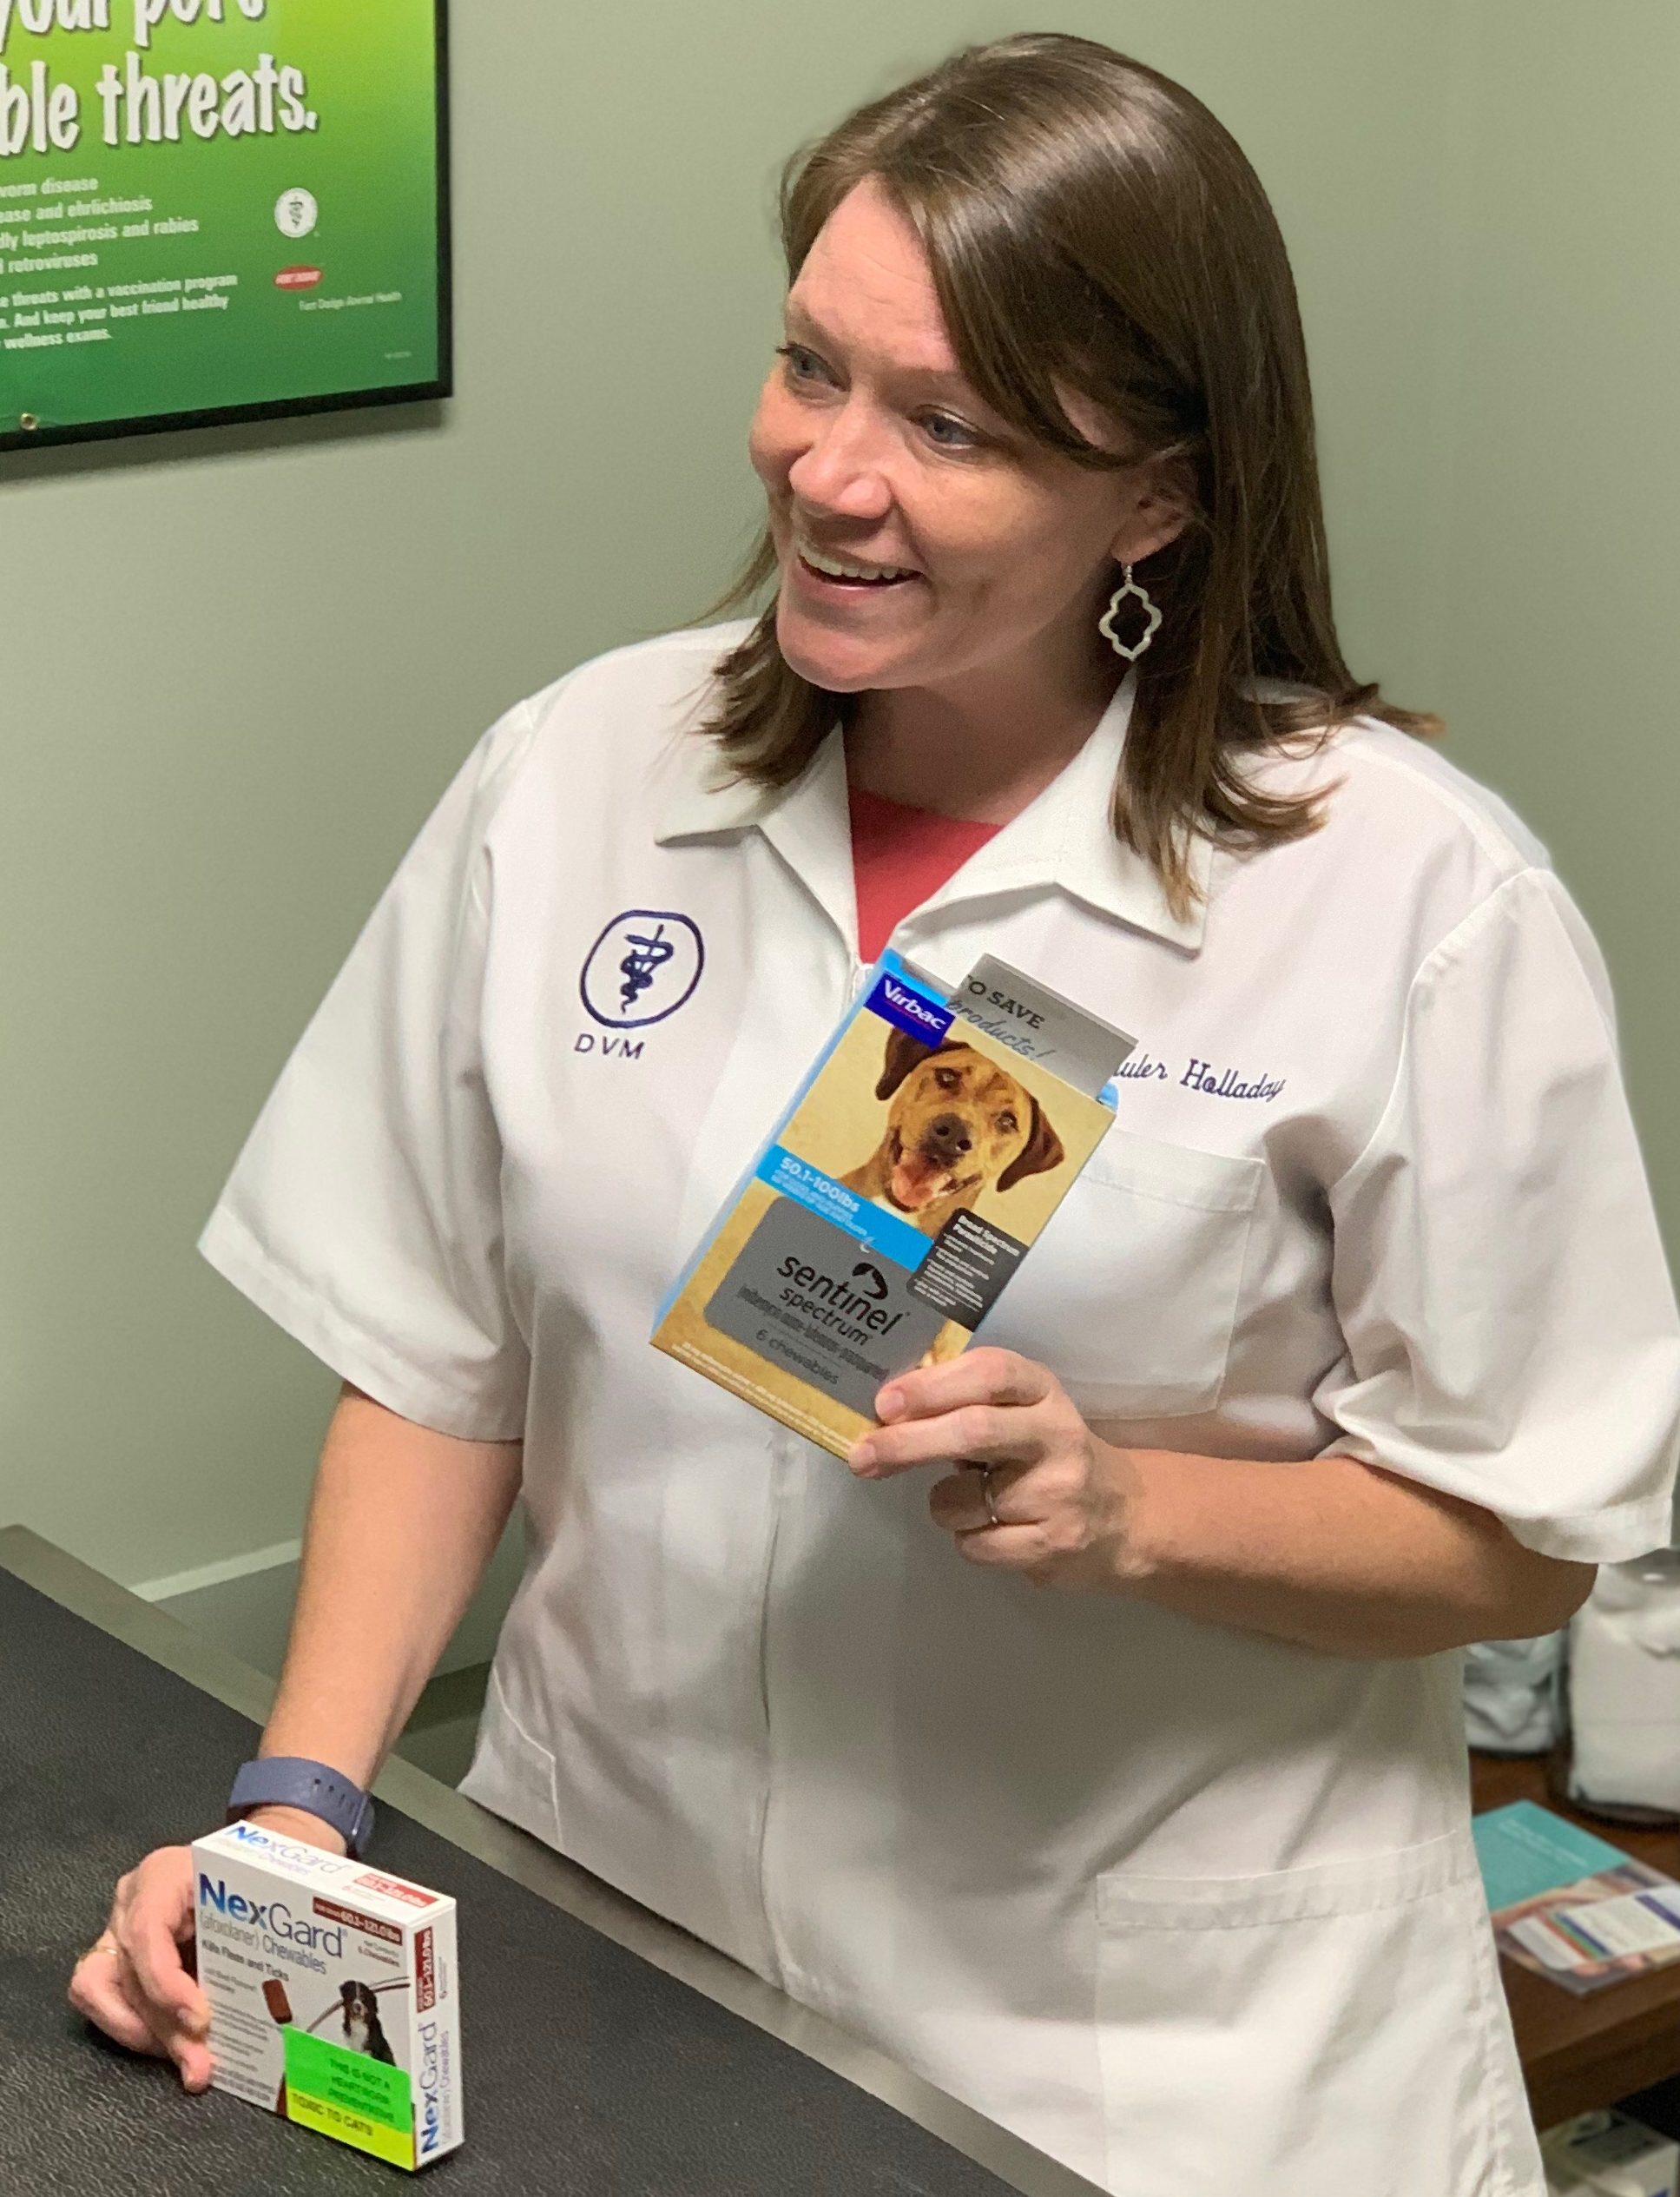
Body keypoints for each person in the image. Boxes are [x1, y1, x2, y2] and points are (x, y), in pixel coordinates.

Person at [70, 33, 1680, 2197]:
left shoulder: (1401, 897)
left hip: (1151, 2072)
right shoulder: (578, 774)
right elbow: (441, 1361)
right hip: (612, 1967)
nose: (831, 471)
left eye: (951, 426)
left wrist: (1130, 1511)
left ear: (1166, 490)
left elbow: (1517, 1530)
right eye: (808, 367)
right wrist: (295, 1810)